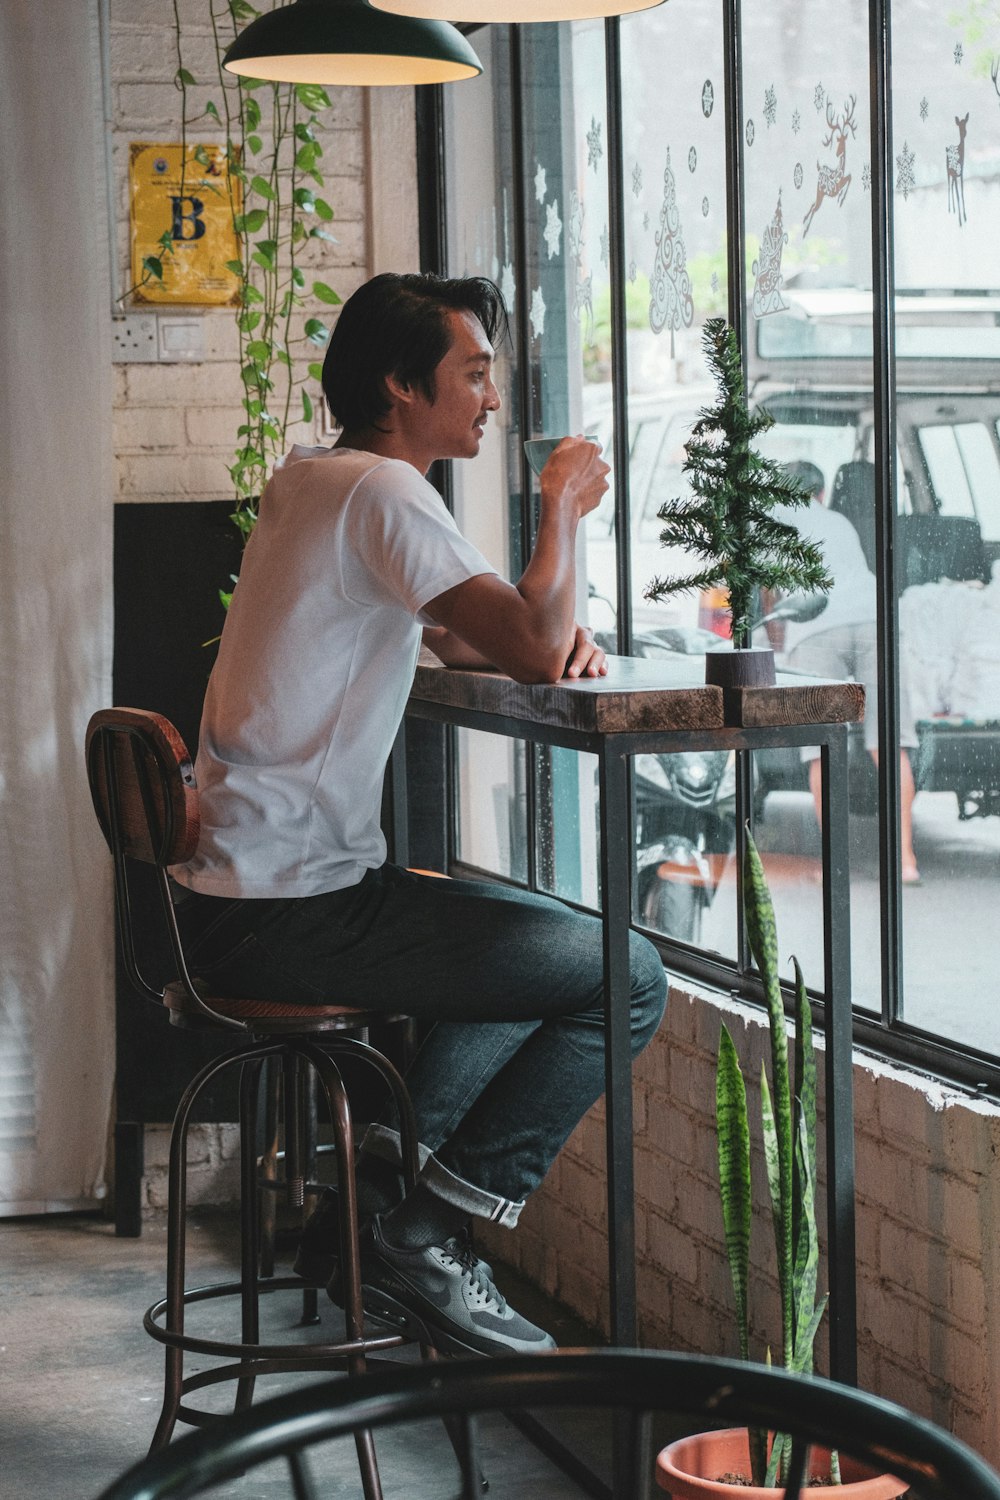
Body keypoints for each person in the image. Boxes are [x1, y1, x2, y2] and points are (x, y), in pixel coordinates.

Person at [170, 272, 667, 1359]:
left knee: (504, 931)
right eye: (473, 373)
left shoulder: (312, 478)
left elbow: (450, 628)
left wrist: (503, 631)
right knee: (626, 977)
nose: (490, 398)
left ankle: (371, 1199)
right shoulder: (387, 492)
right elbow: (534, 643)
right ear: (403, 387)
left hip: (239, 901)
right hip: (294, 911)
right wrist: (562, 508)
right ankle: (427, 1229)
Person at [770, 459, 920, 885]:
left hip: (817, 633)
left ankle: (836, 865)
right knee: (889, 744)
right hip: (874, 622)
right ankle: (906, 860)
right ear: (820, 494)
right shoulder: (839, 521)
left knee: (823, 747)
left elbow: (771, 594)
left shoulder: (775, 523)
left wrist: (778, 642)